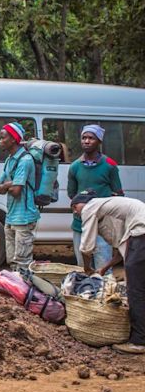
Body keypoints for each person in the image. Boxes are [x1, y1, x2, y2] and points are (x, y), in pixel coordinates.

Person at [71, 192, 145, 354]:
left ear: (84, 203)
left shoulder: (91, 206)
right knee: (140, 286)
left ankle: (139, 341)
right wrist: (104, 268)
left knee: (135, 290)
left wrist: (87, 269)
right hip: (140, 236)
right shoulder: (111, 212)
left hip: (141, 235)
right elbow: (120, 250)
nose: (75, 212)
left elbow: (86, 247)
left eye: (75, 207)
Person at [67, 124, 124, 269]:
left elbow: (119, 194)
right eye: (84, 138)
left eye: (91, 138)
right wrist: (80, 206)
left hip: (102, 224)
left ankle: (103, 290)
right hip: (80, 223)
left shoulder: (109, 165)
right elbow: (71, 194)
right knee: (82, 267)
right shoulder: (74, 167)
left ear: (99, 141)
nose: (86, 141)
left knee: (103, 267)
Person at [0, 122, 39, 272]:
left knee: (22, 262)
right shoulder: (9, 160)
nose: (0, 141)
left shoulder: (25, 160)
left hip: (24, 217)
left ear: (13, 139)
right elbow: (0, 188)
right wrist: (10, 184)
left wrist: (7, 185)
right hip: (11, 216)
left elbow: (16, 191)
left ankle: (25, 292)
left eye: (3, 137)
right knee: (12, 261)